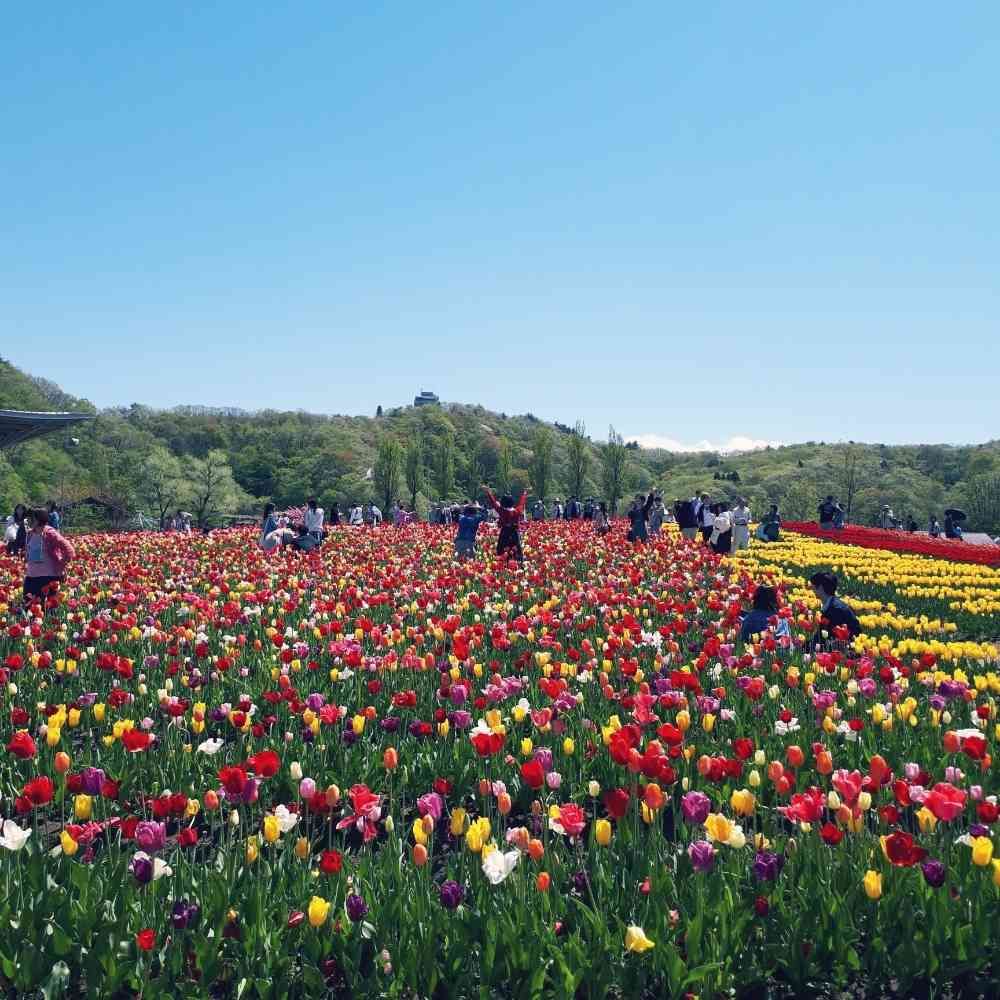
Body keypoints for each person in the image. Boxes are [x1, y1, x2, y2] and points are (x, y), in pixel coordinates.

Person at [21, 507, 75, 605]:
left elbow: (69, 550)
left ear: (38, 519)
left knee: (47, 608)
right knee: (28, 605)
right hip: (31, 576)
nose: (28, 520)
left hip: (48, 578)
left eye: (31, 518)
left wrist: (61, 562)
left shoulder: (49, 533)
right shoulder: (30, 534)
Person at [808, 571, 862, 648]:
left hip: (846, 649)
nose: (812, 590)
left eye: (813, 587)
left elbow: (827, 639)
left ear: (820, 588)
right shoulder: (833, 604)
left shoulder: (835, 610)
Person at [483, 485, 527, 563]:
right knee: (516, 550)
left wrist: (488, 492)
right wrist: (524, 493)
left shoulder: (502, 511)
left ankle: (502, 563)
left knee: (501, 550)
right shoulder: (517, 511)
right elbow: (521, 503)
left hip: (504, 532)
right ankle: (519, 563)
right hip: (514, 533)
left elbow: (493, 503)